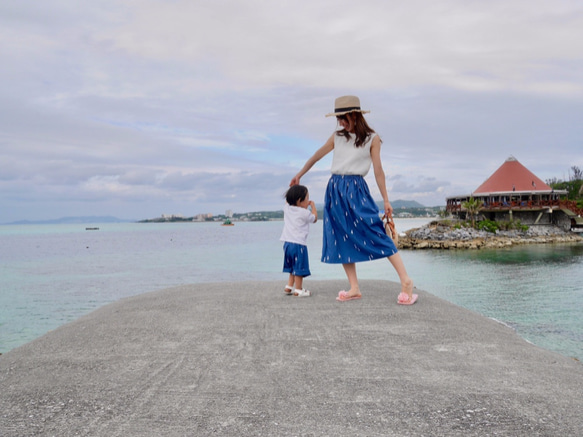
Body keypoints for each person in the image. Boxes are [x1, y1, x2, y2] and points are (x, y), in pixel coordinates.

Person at [290, 95, 417, 304]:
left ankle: (406, 281)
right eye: (339, 119)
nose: (341, 122)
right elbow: (317, 155)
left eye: (344, 118)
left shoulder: (372, 138)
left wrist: (386, 200)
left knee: (375, 230)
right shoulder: (337, 136)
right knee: (340, 236)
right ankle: (354, 287)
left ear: (355, 115)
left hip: (356, 189)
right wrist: (300, 174)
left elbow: (378, 171)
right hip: (335, 189)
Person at [280, 184, 318, 297]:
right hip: (298, 244)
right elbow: (314, 218)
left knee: (292, 266)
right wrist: (313, 207)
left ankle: (289, 286)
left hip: (286, 243)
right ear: (299, 201)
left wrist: (293, 187)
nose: (308, 200)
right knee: (299, 267)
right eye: (307, 198)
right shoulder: (304, 213)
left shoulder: (287, 209)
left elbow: (287, 202)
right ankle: (299, 289)